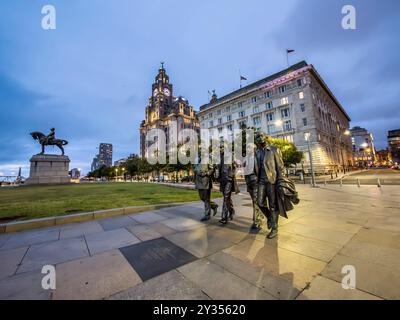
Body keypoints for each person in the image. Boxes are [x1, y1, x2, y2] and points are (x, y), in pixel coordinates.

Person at [255, 132, 285, 239]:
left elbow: (280, 167)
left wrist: (280, 181)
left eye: (260, 136)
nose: (259, 138)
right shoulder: (257, 152)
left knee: (273, 205)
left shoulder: (273, 149)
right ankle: (270, 218)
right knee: (260, 202)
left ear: (265, 137)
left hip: (272, 180)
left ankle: (274, 228)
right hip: (261, 181)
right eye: (257, 137)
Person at [217, 146, 238, 225]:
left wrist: (231, 175)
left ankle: (224, 217)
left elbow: (235, 166)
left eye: (222, 148)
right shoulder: (220, 157)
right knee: (227, 198)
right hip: (222, 179)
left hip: (228, 179)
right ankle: (231, 211)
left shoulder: (230, 155)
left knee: (226, 197)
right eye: (220, 148)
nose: (220, 149)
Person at [194, 157, 218, 221]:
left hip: (206, 180)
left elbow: (212, 168)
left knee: (206, 199)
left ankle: (207, 215)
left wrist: (206, 173)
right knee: (202, 197)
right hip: (199, 181)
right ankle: (214, 205)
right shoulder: (196, 159)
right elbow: (194, 167)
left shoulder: (208, 158)